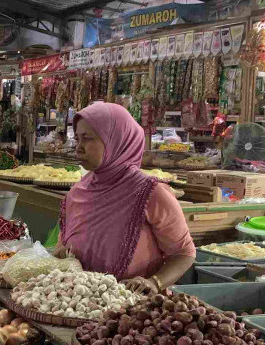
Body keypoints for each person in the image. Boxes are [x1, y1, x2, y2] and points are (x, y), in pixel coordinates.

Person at [55, 102, 195, 294]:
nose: (78, 148)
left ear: (117, 141)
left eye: (87, 139)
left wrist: (155, 282)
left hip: (132, 308)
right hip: (79, 302)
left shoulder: (151, 193)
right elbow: (63, 245)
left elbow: (184, 253)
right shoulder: (78, 191)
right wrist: (62, 255)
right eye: (77, 139)